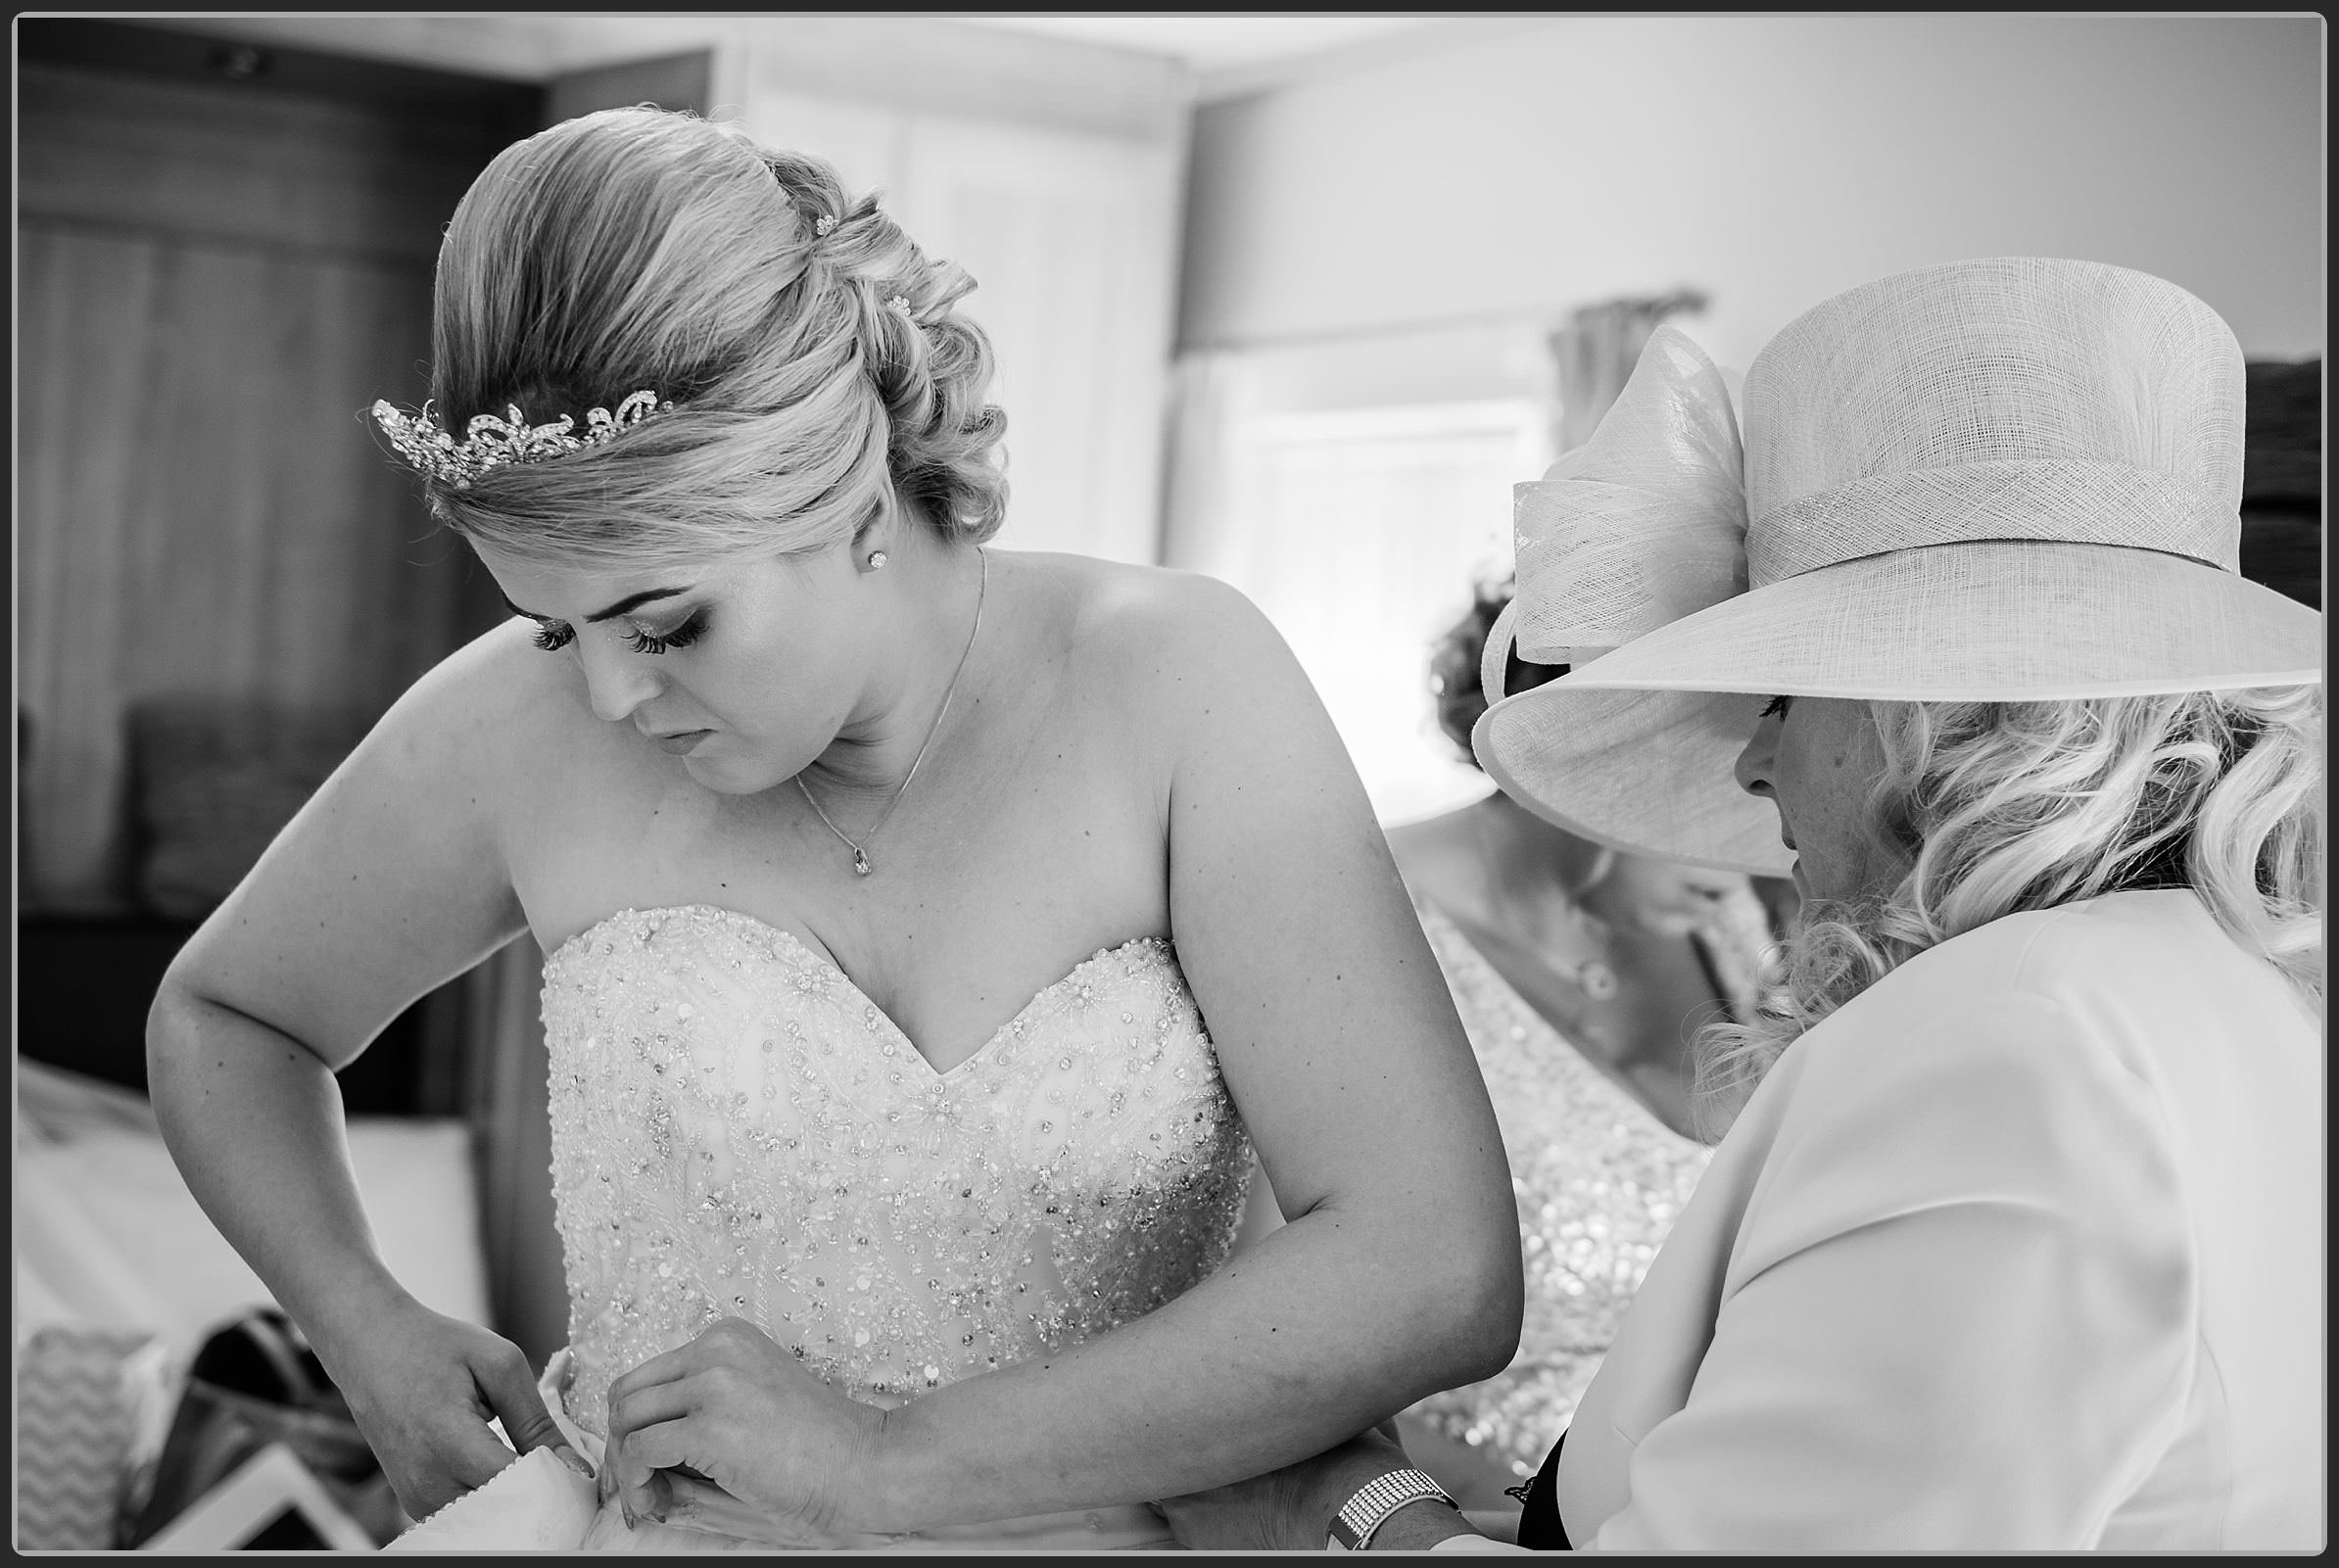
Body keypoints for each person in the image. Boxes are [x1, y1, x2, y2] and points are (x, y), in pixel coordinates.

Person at [144, 107, 1523, 1551]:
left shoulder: (1180, 683)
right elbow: (227, 1017)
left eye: (667, 621)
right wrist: (357, 1318)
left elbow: (1434, 1263)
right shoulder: (512, 732)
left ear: (849, 486)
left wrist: (894, 1460)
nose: (613, 698)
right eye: (556, 633)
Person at [1163, 256, 2323, 1551]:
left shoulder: (2011, 1046)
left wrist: (1366, 1509)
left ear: (1916, 711)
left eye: (1781, 696)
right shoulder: (2230, 985)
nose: (1751, 762)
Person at [1333, 580, 1790, 1503]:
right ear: (1600, 744)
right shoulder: (1354, 924)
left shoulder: (1726, 918)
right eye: (1710, 759)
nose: (1746, 802)